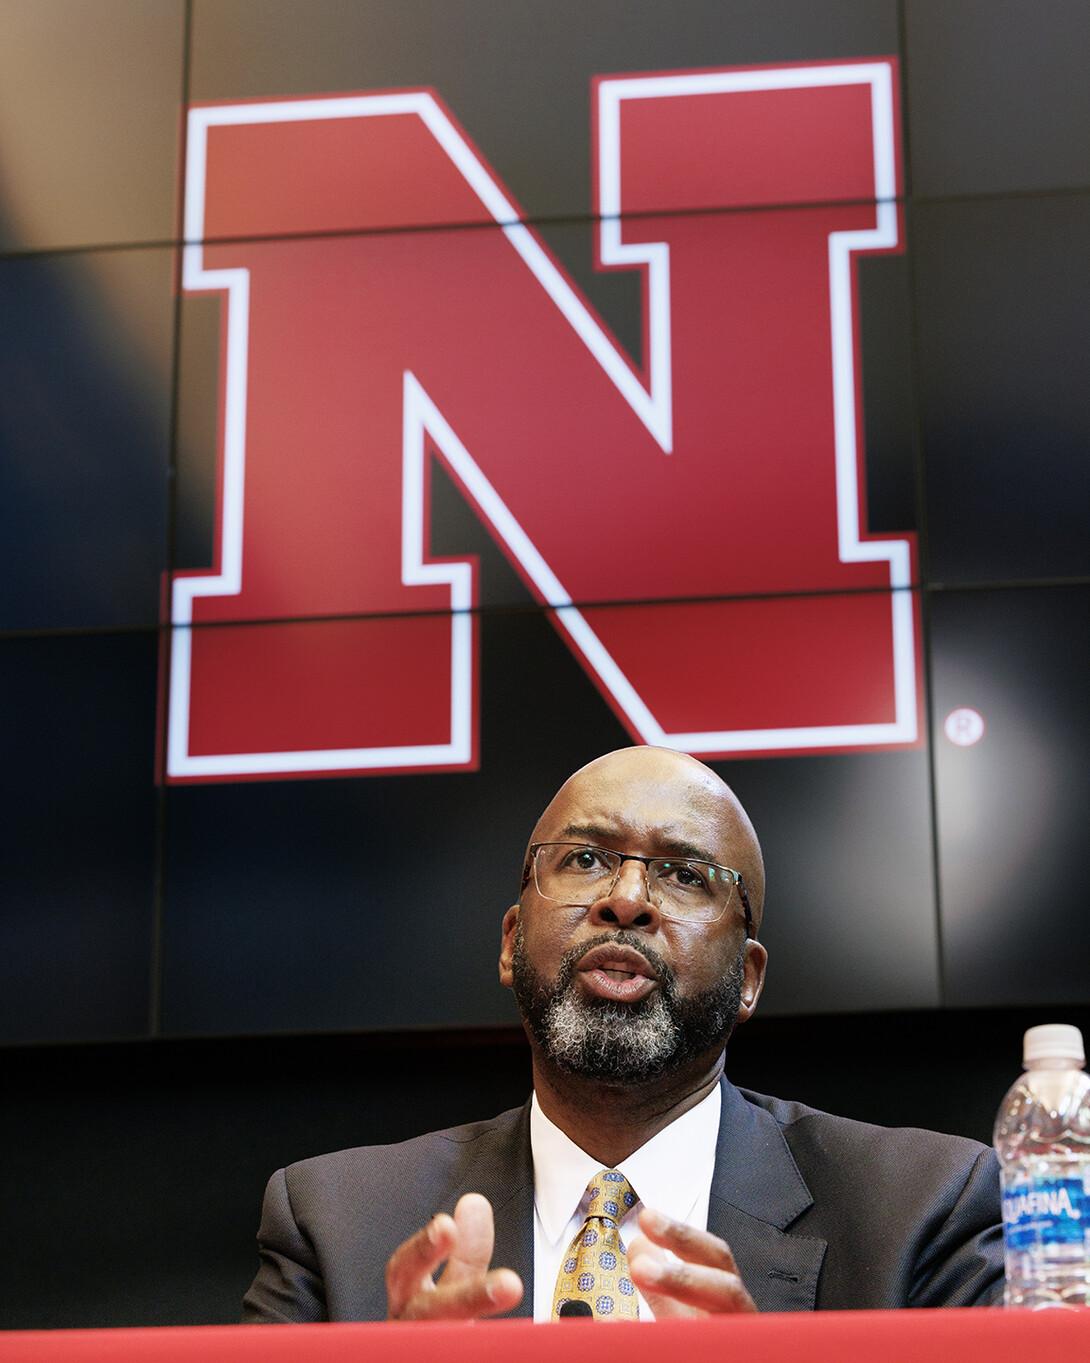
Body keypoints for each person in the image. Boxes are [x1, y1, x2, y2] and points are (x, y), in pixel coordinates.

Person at [242, 746, 1004, 1322]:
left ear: (748, 978)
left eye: (685, 874)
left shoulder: (921, 1210)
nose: (628, 898)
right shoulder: (334, 1222)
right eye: (585, 859)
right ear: (510, 943)